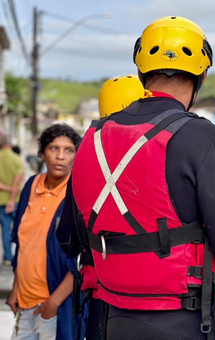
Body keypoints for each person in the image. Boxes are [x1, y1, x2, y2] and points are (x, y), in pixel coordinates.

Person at [71, 16, 215, 340]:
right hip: (183, 321)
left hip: (106, 320)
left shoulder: (92, 137)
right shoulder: (200, 135)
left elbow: (71, 239)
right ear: (201, 74)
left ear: (141, 71)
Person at [57, 74, 145, 340]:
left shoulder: (87, 154)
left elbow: (67, 240)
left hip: (105, 301)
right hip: (163, 301)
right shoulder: (165, 152)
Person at [6, 124, 82, 340]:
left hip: (54, 306)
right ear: (42, 153)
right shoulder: (31, 185)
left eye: (68, 150)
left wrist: (54, 302)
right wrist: (15, 288)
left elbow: (82, 258)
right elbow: (22, 243)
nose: (60, 156)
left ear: (76, 157)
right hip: (24, 302)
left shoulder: (78, 194)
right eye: (53, 148)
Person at [0, 133, 24, 266]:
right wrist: (13, 194)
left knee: (5, 228)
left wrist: (8, 190)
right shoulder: (16, 159)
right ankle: (21, 254)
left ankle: (8, 257)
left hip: (2, 200)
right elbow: (18, 179)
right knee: (21, 228)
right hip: (16, 200)